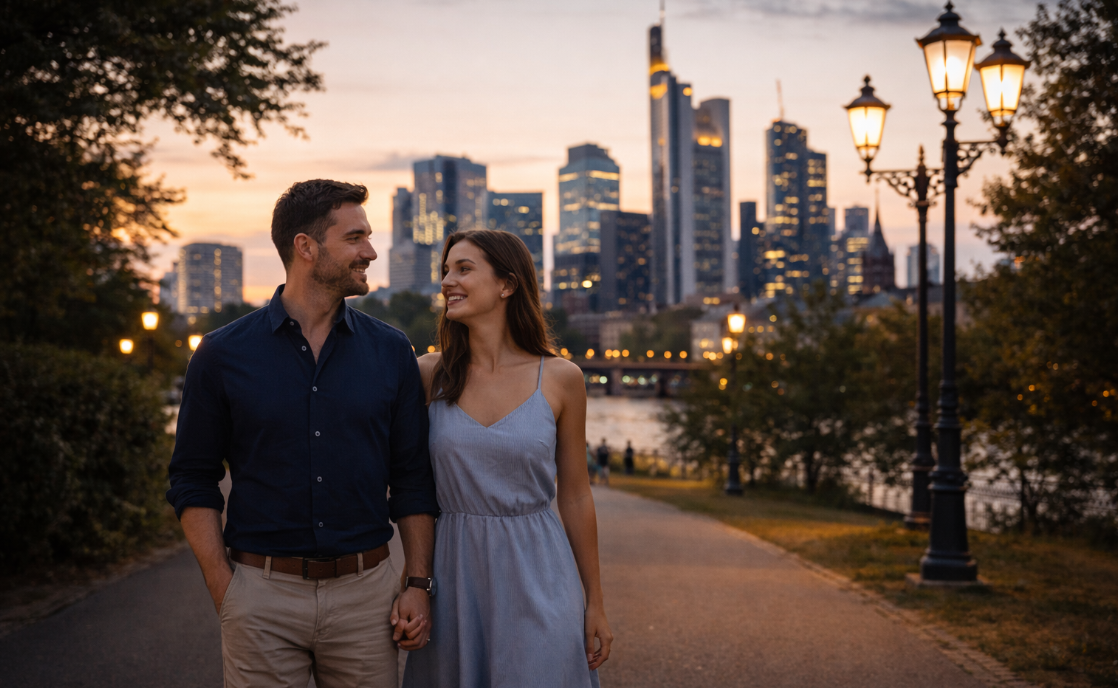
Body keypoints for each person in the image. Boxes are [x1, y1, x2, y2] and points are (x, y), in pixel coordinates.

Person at [167, 179, 439, 687]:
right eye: (355, 238)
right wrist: (223, 587)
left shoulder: (391, 352)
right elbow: (192, 477)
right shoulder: (222, 355)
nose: (371, 251)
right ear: (306, 247)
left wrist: (418, 581)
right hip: (260, 599)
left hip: (367, 598)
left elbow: (412, 479)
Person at [403, 229, 612, 687]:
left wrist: (594, 600)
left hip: (542, 574)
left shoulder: (561, 378)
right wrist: (412, 584)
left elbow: (576, 496)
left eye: (463, 269)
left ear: (507, 284)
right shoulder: (427, 374)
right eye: (445, 271)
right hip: (455, 578)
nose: (446, 282)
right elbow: (403, 484)